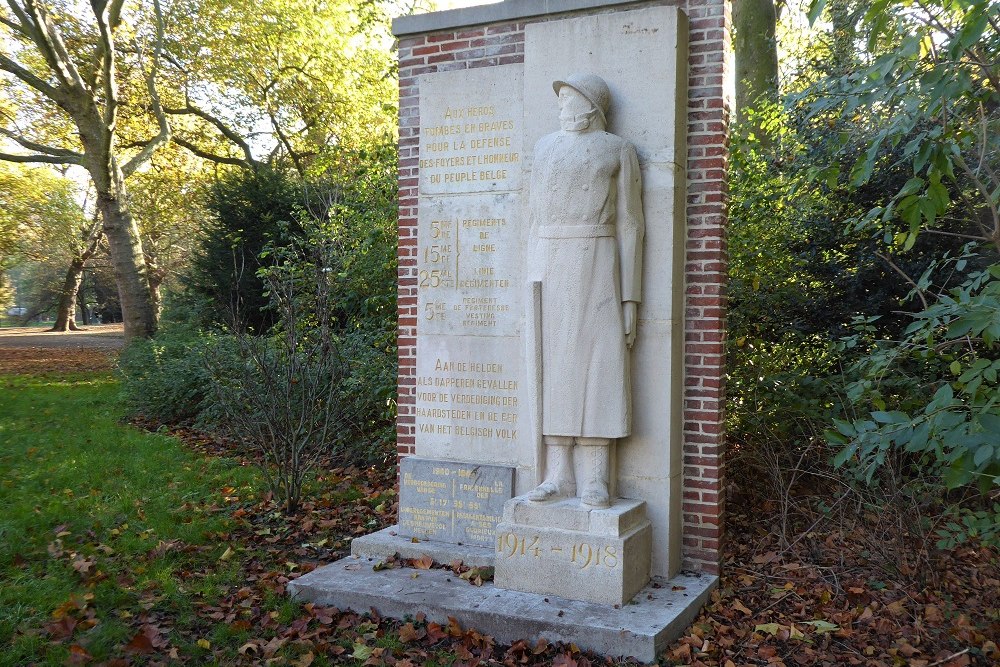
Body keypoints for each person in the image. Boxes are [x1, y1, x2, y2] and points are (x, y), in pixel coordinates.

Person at [526, 73, 644, 509]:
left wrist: (631, 295)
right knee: (553, 367)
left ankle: (595, 479)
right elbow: (532, 216)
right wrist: (530, 275)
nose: (562, 109)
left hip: (597, 261)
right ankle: (558, 476)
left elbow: (632, 223)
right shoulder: (544, 148)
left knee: (599, 364)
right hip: (549, 263)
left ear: (592, 106)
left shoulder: (618, 149)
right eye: (559, 102)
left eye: (569, 101)